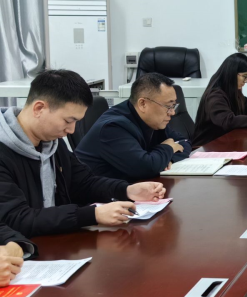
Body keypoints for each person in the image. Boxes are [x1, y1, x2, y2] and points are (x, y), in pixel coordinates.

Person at [0, 70, 165, 239]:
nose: (71, 130)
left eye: (76, 122)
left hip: (55, 240)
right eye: (68, 120)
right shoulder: (4, 153)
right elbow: (16, 219)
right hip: (21, 249)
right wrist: (92, 215)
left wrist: (127, 190)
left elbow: (84, 183)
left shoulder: (51, 143)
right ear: (39, 108)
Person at [77, 73, 191, 182]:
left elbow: (183, 142)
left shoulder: (154, 121)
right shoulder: (113, 128)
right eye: (168, 106)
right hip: (98, 194)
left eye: (173, 106)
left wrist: (168, 159)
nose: (172, 112)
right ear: (143, 104)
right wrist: (168, 148)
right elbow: (146, 168)